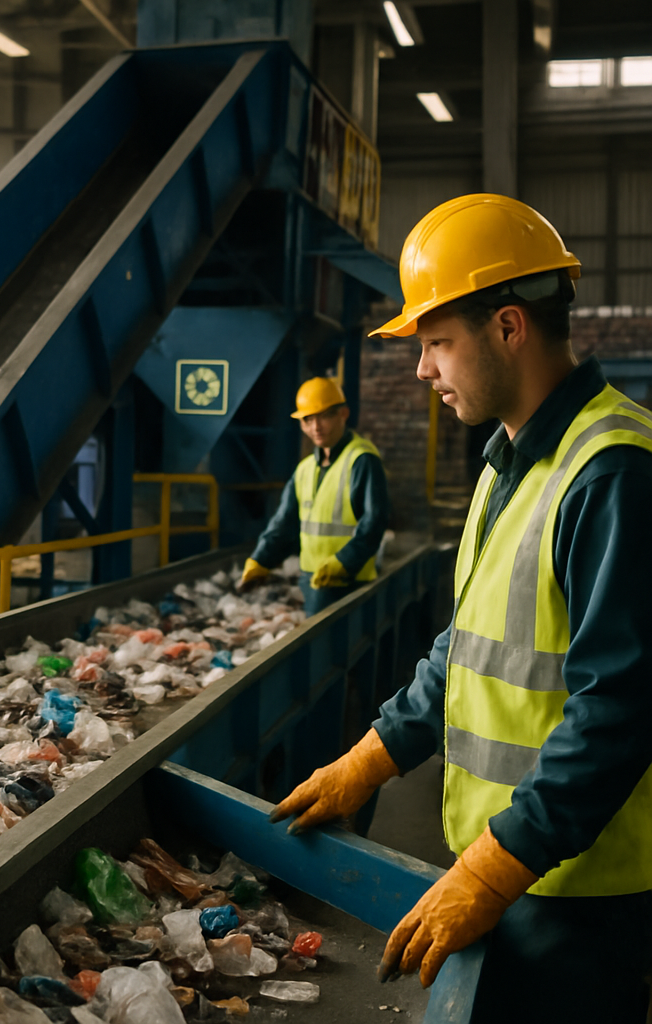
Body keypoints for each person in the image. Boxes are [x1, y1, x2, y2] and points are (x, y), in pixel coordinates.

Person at [268, 194, 652, 1023]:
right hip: (510, 868)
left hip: (577, 894)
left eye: (438, 343)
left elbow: (619, 708)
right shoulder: (506, 462)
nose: (422, 370)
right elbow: (469, 645)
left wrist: (494, 867)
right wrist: (372, 755)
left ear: (509, 327)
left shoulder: (611, 473)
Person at [239, 376, 389, 615]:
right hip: (312, 581)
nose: (316, 427)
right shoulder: (306, 468)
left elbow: (374, 522)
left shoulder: (362, 460)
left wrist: (344, 561)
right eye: (308, 419)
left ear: (343, 414)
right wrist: (261, 560)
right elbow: (284, 522)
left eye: (325, 416)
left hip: (349, 582)